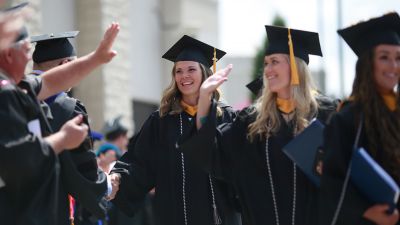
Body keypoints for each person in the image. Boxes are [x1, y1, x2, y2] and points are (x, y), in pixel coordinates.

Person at [179, 26, 338, 225]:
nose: (268, 70)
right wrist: (204, 97)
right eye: (266, 63)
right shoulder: (252, 121)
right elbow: (211, 153)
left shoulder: (327, 114)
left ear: (296, 67)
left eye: (275, 62)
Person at [0, 8, 120, 224]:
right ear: (9, 54)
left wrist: (96, 58)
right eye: (26, 50)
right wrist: (63, 139)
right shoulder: (5, 94)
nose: (29, 57)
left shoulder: (20, 87)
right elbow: (19, 157)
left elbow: (49, 82)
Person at [109, 35, 241, 225]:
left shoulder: (225, 117)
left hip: (219, 216)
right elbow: (139, 161)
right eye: (178, 71)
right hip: (174, 215)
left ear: (205, 72)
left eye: (191, 69)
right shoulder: (161, 120)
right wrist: (117, 178)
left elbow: (238, 165)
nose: (184, 76)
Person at [319, 12, 400, 225]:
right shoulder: (348, 119)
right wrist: (366, 211)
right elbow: (331, 183)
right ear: (367, 63)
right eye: (384, 57)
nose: (393, 66)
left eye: (398, 58)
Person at [28, 30, 111, 224]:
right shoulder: (68, 108)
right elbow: (81, 167)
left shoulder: (11, 94)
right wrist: (106, 184)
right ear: (65, 65)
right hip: (50, 209)